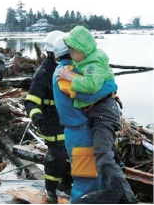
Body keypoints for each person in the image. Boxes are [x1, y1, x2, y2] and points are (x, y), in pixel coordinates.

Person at [56, 26, 136, 203]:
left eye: (73, 50)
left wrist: (71, 78)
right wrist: (110, 88)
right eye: (69, 51)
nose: (71, 54)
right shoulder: (71, 69)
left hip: (98, 117)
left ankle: (120, 191)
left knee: (102, 154)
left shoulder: (88, 65)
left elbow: (91, 87)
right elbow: (96, 90)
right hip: (89, 122)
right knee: (102, 159)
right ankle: (118, 189)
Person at [24, 31, 72, 203]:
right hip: (51, 123)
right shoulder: (43, 74)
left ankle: (67, 184)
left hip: (68, 121)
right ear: (51, 53)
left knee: (71, 153)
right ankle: (50, 190)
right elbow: (30, 101)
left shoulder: (67, 67)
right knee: (56, 155)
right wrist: (38, 119)